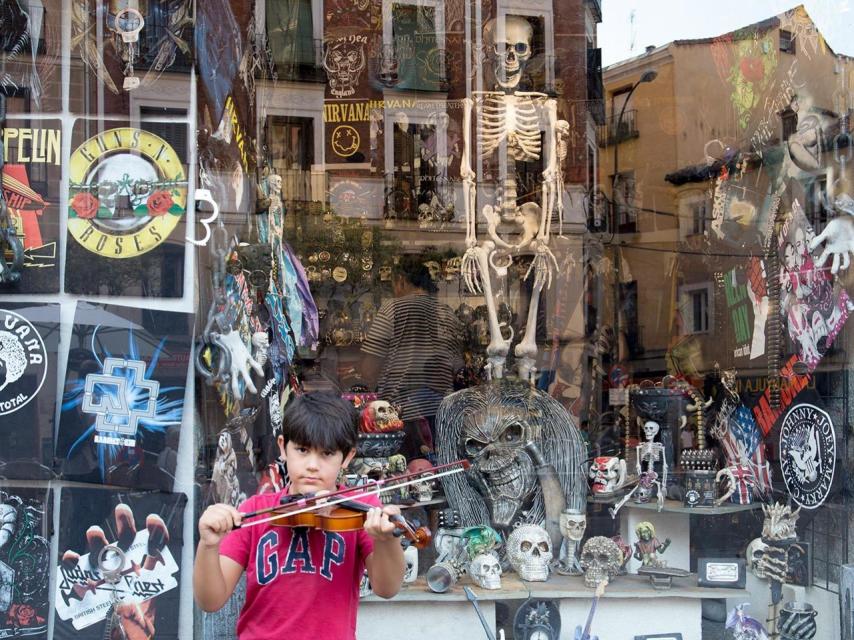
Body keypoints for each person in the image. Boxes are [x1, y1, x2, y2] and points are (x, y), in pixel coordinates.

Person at [194, 392, 405, 640]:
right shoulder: (256, 510)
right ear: (283, 447)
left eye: (327, 453)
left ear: (347, 457)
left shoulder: (360, 508)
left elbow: (387, 588)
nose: (312, 465)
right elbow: (210, 601)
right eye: (302, 450)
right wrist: (208, 545)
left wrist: (386, 540)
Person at [361, 254, 464, 460]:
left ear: (401, 280)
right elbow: (456, 366)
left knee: (404, 475)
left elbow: (369, 368)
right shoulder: (447, 313)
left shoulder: (393, 309)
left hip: (401, 415)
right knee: (437, 472)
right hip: (441, 415)